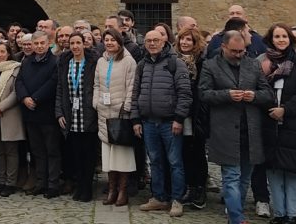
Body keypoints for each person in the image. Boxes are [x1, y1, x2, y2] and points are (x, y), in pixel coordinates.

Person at [200, 31, 274, 224]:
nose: (239, 54)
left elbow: (267, 93)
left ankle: (235, 213)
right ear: (223, 47)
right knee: (231, 177)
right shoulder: (210, 65)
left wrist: (254, 96)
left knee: (244, 178)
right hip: (224, 131)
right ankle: (236, 218)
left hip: (250, 131)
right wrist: (227, 95)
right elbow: (204, 94)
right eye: (234, 51)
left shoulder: (253, 64)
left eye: (242, 51)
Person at [132, 29, 193, 217]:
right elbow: (135, 94)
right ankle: (159, 197)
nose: (151, 43)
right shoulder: (142, 65)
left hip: (169, 122)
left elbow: (185, 94)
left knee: (175, 162)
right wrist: (135, 119)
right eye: (148, 40)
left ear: (163, 42)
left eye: (155, 40)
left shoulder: (176, 63)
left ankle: (176, 199)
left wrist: (179, 118)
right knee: (155, 161)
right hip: (148, 122)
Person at [258, 23, 296, 224]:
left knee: (291, 172)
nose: (281, 40)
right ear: (271, 39)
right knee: (273, 171)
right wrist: (270, 109)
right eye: (276, 36)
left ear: (290, 39)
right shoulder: (264, 64)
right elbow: (260, 89)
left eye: (284, 36)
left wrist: (286, 109)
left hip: (294, 125)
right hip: (270, 124)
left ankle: (292, 214)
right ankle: (280, 213)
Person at [92, 28, 137, 206]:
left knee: (121, 154)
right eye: (107, 40)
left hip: (120, 113)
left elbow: (131, 86)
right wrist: (96, 102)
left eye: (113, 40)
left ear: (119, 41)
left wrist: (126, 107)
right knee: (109, 155)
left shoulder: (128, 61)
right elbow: (96, 83)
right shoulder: (101, 61)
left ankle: (122, 190)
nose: (109, 43)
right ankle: (111, 189)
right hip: (104, 111)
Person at [18, 30, 63, 198]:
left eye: (42, 43)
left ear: (48, 43)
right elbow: (19, 81)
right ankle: (41, 182)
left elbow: (52, 83)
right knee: (37, 151)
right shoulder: (26, 61)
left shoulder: (55, 62)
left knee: (52, 150)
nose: (39, 46)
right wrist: (24, 98)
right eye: (36, 43)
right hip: (30, 114)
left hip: (47, 114)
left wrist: (35, 98)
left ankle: (53, 184)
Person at [55, 33, 96, 202]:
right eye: (72, 43)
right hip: (71, 116)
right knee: (76, 155)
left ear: (84, 44)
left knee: (89, 155)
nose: (75, 46)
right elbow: (60, 89)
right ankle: (79, 186)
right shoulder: (66, 63)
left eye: (78, 42)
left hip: (88, 116)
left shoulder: (93, 62)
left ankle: (87, 188)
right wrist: (59, 113)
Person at [174, 27, 208, 210]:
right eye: (182, 39)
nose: (185, 43)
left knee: (197, 152)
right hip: (179, 112)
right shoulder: (174, 60)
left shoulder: (202, 62)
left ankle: (200, 188)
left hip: (196, 114)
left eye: (189, 40)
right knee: (185, 151)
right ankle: (189, 186)